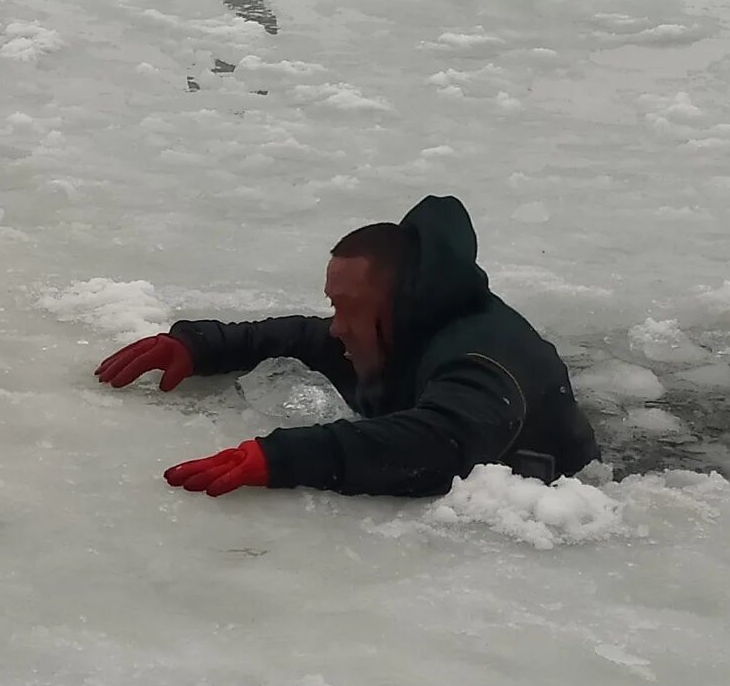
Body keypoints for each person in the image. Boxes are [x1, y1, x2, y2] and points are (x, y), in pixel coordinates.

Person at [95, 195, 600, 498]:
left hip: (562, 509)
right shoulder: (397, 330)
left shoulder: (482, 364)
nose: (336, 327)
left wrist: (284, 458)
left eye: (347, 308)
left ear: (398, 305)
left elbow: (438, 445)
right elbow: (301, 337)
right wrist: (201, 345)